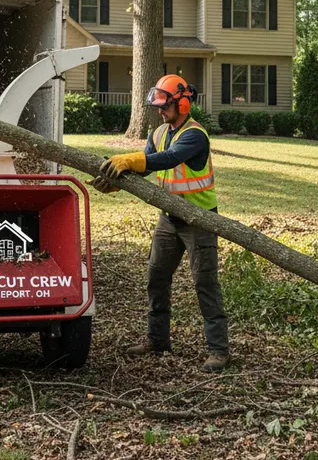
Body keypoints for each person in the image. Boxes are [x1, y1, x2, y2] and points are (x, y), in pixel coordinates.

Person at [99, 75, 231, 372]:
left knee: (205, 283)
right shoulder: (159, 132)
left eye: (165, 105)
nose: (160, 111)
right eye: (158, 106)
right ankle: (157, 340)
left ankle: (219, 350)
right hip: (169, 220)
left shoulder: (195, 135)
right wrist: (116, 181)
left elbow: (169, 159)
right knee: (156, 278)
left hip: (199, 220)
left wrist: (130, 160)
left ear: (183, 103)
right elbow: (147, 164)